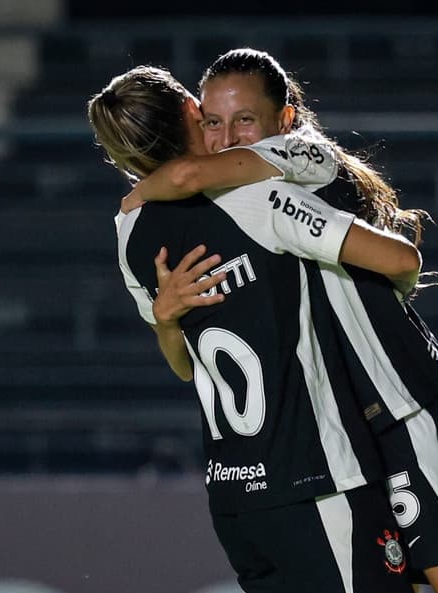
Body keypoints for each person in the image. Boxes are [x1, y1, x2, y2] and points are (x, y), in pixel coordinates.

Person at [125, 48, 438, 593]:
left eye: (244, 119)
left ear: (285, 119)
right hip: (337, 438)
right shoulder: (230, 202)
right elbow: (190, 367)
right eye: (213, 122)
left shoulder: (300, 157)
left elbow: (404, 262)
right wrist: (167, 320)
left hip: (398, 411)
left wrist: (136, 194)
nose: (228, 138)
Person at [89, 64, 418, 593]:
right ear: (190, 111)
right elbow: (399, 257)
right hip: (314, 479)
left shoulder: (130, 234)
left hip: (236, 498)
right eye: (208, 116)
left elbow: (183, 367)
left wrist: (167, 319)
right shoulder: (255, 195)